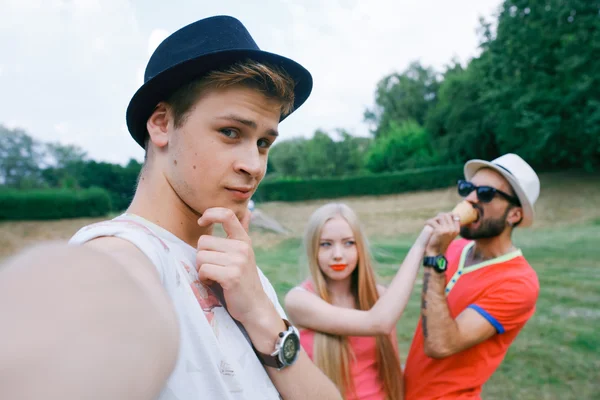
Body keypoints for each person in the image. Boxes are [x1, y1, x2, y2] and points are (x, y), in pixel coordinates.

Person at [0, 15, 341, 400]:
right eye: (231, 132)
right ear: (162, 124)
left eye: (264, 142)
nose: (255, 165)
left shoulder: (242, 273)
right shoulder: (125, 255)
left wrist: (263, 316)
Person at [403, 153, 541, 399]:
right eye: (468, 188)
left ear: (514, 215)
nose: (470, 199)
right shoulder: (454, 248)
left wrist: (435, 256)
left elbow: (441, 344)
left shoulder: (519, 283)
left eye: (486, 193)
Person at [285, 202, 433, 400]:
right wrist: (420, 245)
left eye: (348, 243)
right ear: (313, 249)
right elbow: (379, 322)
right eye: (326, 244)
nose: (338, 255)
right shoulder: (299, 300)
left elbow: (392, 370)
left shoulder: (379, 298)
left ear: (360, 247)